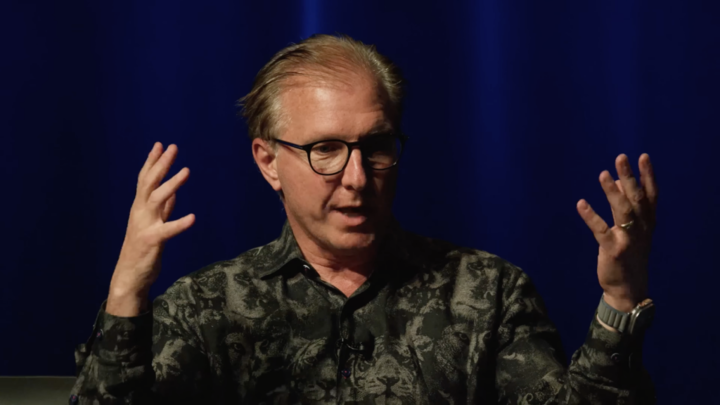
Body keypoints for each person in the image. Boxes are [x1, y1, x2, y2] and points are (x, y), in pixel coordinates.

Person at [70, 34, 658, 404]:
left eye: (375, 146)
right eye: (325, 149)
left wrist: (619, 300)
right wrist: (126, 293)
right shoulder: (205, 308)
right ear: (269, 162)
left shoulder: (488, 293)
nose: (356, 177)